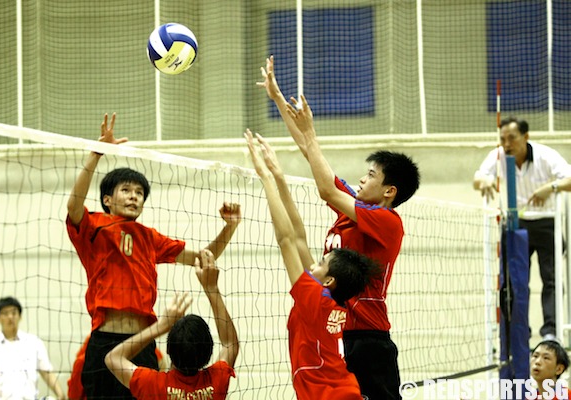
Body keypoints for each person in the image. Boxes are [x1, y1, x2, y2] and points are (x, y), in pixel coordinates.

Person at [258, 56, 421, 399]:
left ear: (389, 191)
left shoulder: (387, 221)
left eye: (372, 175)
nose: (362, 178)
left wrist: (311, 133)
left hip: (368, 336)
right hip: (337, 331)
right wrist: (277, 99)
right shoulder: (354, 208)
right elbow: (308, 150)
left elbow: (325, 188)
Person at [66, 113, 241, 399]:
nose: (134, 196)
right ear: (107, 199)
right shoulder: (93, 226)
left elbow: (203, 258)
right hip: (106, 341)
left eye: (139, 193)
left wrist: (229, 226)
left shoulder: (150, 237)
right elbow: (73, 206)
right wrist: (95, 153)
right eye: (126, 190)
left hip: (143, 343)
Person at [245, 129, 379, 399]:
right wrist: (280, 177)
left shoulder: (315, 299)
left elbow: (286, 240)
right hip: (343, 391)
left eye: (320, 262)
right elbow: (298, 237)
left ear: (329, 280)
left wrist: (266, 178)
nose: (312, 265)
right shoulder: (329, 301)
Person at [473, 116, 571, 340]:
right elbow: (478, 177)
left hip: (547, 223)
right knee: (513, 281)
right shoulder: (498, 155)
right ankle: (518, 333)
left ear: (525, 137)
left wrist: (551, 187)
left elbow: (569, 178)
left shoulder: (546, 155)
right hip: (516, 225)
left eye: (512, 138)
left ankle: (551, 333)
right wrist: (484, 181)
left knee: (552, 279)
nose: (506, 144)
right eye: (502, 139)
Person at [104, 248, 239, 399]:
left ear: (168, 350)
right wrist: (212, 289)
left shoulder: (154, 385)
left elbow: (112, 358)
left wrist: (161, 326)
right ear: (209, 351)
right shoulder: (217, 381)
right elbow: (230, 343)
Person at [0, 296, 66, 400]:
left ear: (20, 316)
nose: (10, 317)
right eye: (5, 313)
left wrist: (61, 395)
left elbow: (47, 372)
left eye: (14, 313)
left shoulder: (34, 343)